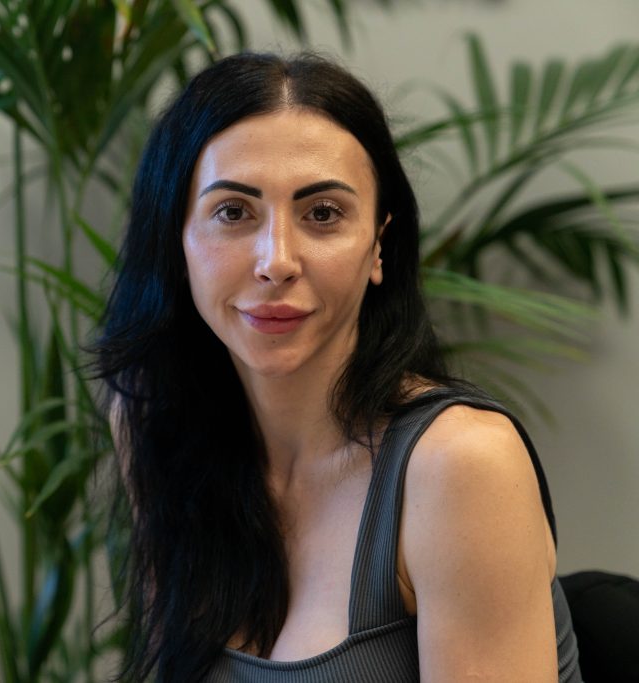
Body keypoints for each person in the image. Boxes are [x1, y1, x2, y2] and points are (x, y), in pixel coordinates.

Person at [93, 52, 581, 682]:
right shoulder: (153, 422)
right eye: (233, 212)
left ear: (379, 244)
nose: (277, 261)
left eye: (322, 213)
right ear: (176, 238)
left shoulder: (460, 465)